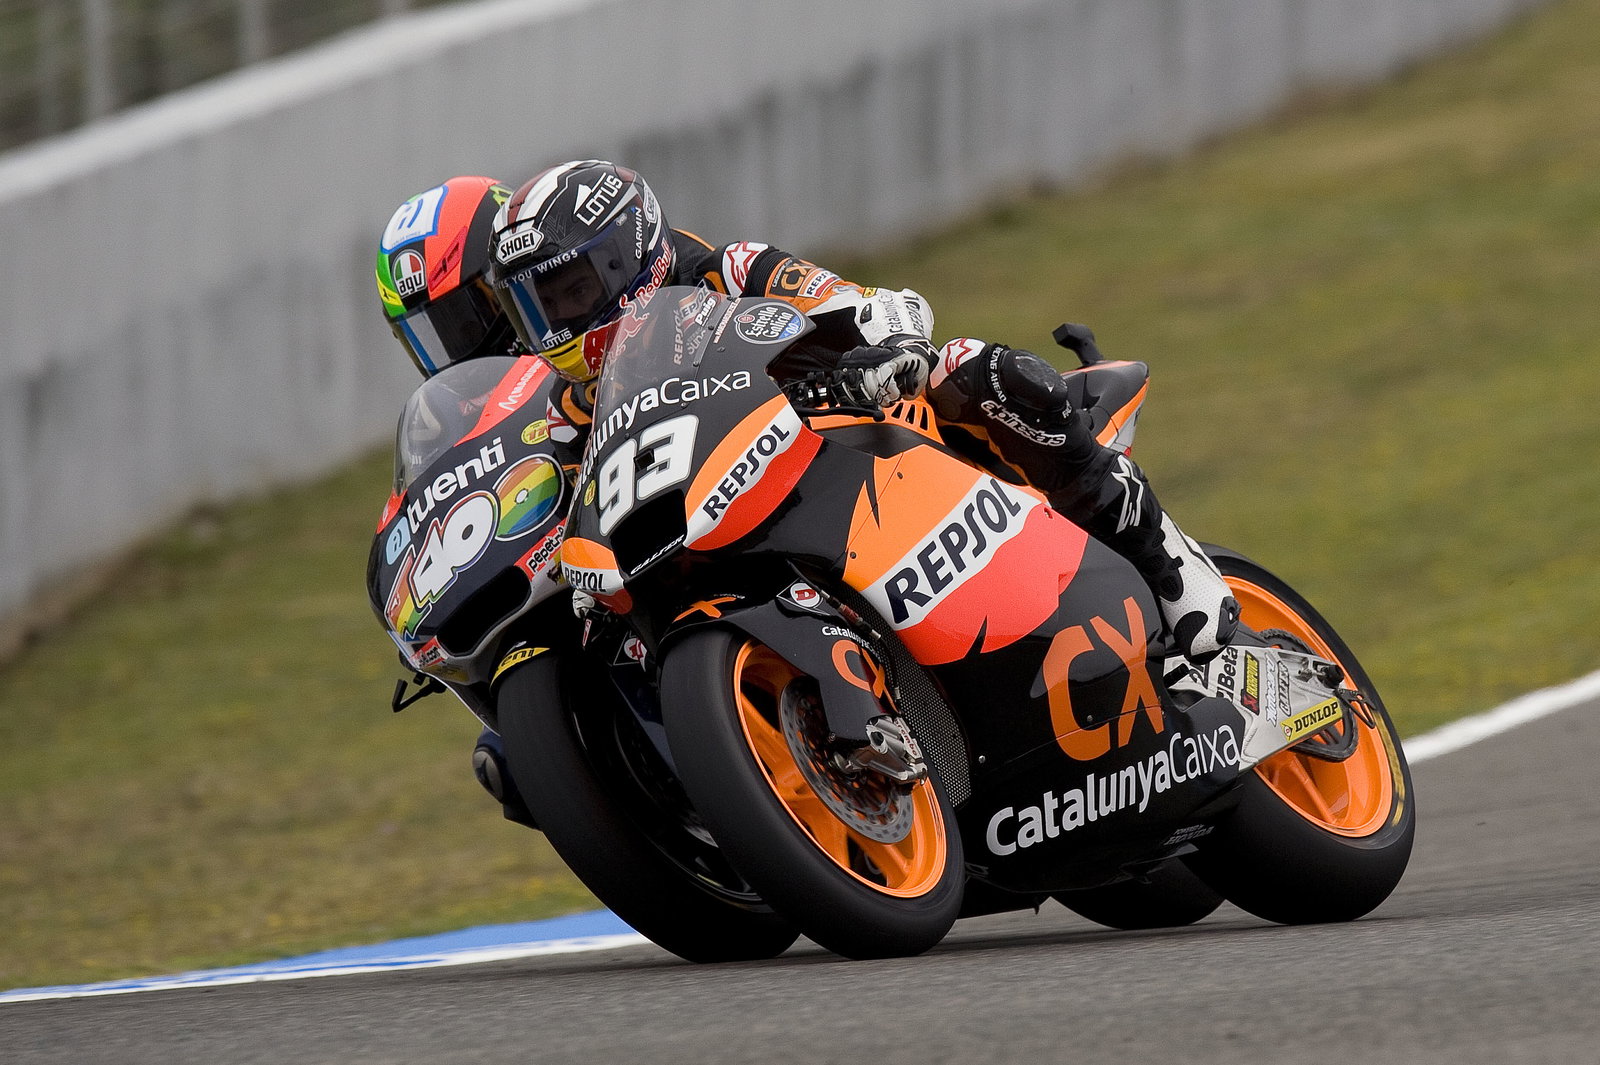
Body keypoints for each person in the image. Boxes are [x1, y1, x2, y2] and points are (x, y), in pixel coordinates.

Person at [485, 159, 1238, 662]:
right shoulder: (570, 409)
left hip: (861, 435)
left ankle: (1167, 562)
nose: (562, 320)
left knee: (968, 367)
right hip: (730, 522)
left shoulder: (731, 270)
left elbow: (878, 304)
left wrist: (887, 352)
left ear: (630, 254)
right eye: (538, 306)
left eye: (574, 290)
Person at [376, 175, 543, 828]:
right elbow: (412, 507)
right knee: (511, 760)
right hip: (551, 584)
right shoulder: (440, 421)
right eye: (429, 334)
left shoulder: (584, 319)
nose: (455, 347)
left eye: (466, 316)